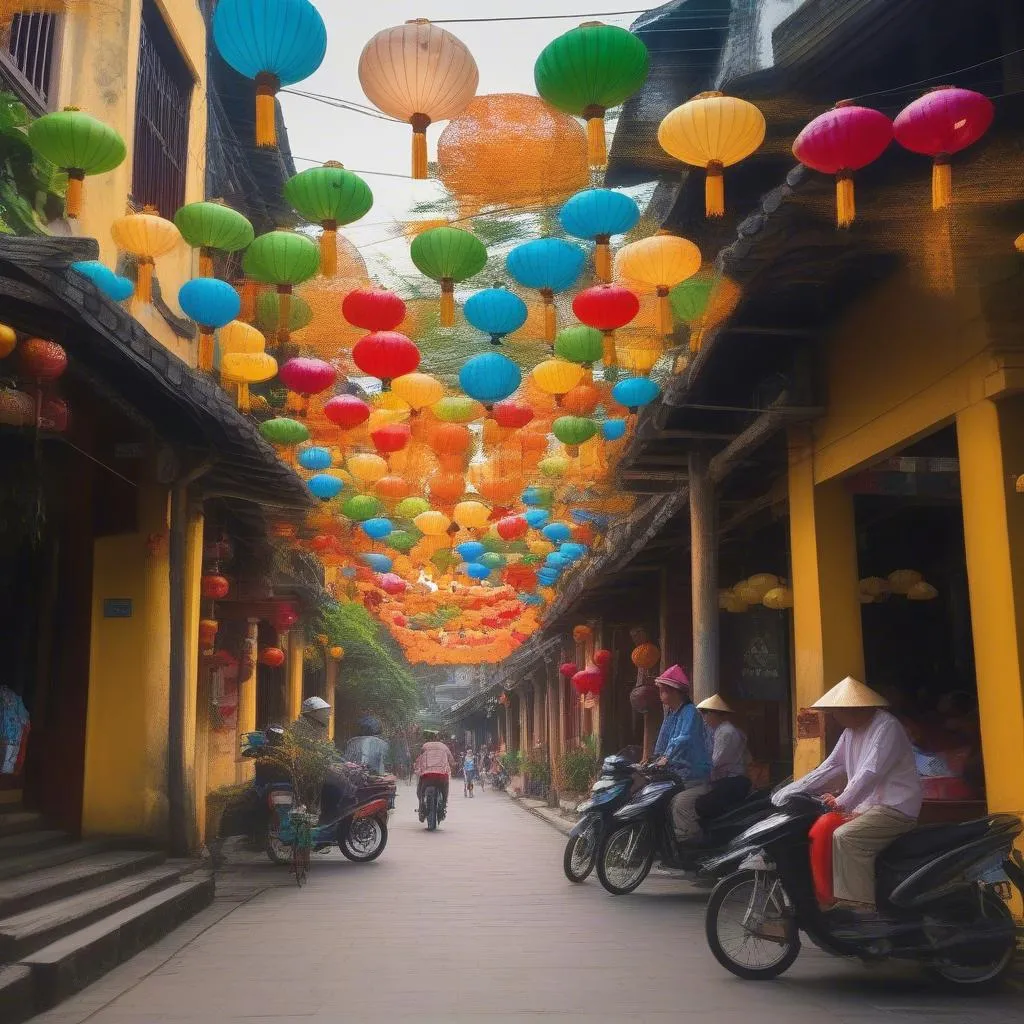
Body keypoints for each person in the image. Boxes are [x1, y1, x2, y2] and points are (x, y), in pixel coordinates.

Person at [772, 676, 922, 915]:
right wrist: (790, 791)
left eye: (835, 712)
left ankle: (860, 908)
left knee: (846, 837)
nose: (832, 718)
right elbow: (830, 766)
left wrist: (842, 801)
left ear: (850, 709)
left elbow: (870, 772)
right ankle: (826, 899)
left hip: (894, 807)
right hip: (866, 806)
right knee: (816, 829)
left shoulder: (886, 727)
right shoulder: (851, 731)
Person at [651, 665, 711, 843]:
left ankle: (691, 841)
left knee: (678, 804)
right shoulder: (672, 714)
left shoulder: (690, 712)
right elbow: (663, 738)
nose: (661, 695)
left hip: (693, 773)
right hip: (676, 772)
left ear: (674, 692)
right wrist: (655, 758)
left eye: (663, 691)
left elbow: (684, 739)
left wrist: (667, 757)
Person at [694, 694, 751, 820]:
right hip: (727, 780)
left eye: (705, 713)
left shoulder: (726, 732)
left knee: (701, 805)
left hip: (731, 781)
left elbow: (715, 761)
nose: (703, 717)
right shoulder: (721, 730)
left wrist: (696, 767)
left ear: (715, 714)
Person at [413, 729, 457, 820]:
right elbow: (452, 761)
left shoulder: (425, 746)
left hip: (427, 776)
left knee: (420, 791)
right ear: (437, 737)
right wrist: (454, 765)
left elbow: (419, 760)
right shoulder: (444, 746)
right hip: (441, 776)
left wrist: (416, 768)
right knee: (445, 787)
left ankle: (421, 807)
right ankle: (444, 805)